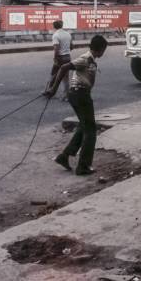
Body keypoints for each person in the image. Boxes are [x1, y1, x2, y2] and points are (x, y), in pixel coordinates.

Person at [45, 35, 108, 176]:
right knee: (91, 130)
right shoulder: (85, 58)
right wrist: (53, 89)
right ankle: (83, 166)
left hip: (80, 94)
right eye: (104, 49)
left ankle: (64, 156)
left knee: (84, 126)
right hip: (80, 95)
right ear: (101, 49)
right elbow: (64, 67)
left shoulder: (91, 59)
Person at [46, 20, 72, 101]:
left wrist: (55, 58)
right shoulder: (68, 34)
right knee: (65, 77)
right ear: (62, 25)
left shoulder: (56, 35)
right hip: (68, 57)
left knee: (54, 74)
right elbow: (72, 46)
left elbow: (56, 49)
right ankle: (66, 95)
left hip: (60, 58)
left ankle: (50, 91)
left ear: (54, 26)